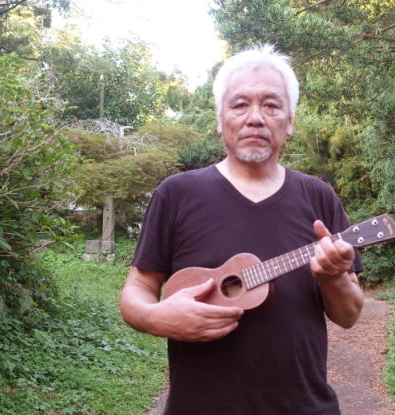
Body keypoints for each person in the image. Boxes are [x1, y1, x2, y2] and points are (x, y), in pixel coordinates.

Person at [119, 45, 364, 414]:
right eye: (240, 105)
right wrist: (155, 317)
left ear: (289, 121)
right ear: (220, 120)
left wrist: (333, 277)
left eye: (271, 105)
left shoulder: (319, 197)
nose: (255, 118)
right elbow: (138, 287)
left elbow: (349, 315)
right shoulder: (177, 194)